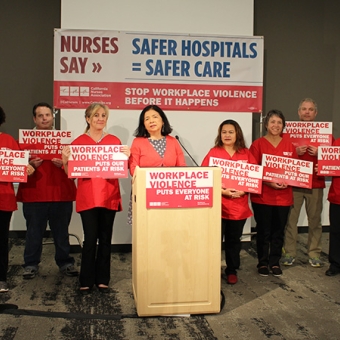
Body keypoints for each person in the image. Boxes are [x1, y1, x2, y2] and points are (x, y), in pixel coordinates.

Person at [62, 103, 130, 294]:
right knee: (90, 238)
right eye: (96, 115)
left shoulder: (115, 141)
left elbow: (121, 169)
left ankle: (102, 280)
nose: (100, 118)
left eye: (103, 115)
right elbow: (71, 174)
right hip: (88, 198)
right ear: (88, 118)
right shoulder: (78, 142)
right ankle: (86, 280)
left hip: (109, 196)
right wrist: (66, 161)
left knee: (106, 238)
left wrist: (128, 157)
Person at [17, 102, 78, 279]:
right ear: (34, 119)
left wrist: (64, 163)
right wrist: (28, 165)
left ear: (53, 117)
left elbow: (78, 166)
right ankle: (30, 264)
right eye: (40, 115)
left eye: (47, 115)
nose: (45, 118)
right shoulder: (23, 141)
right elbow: (13, 167)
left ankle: (65, 262)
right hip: (34, 193)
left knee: (61, 232)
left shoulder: (65, 140)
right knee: (34, 232)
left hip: (61, 192)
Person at [201, 119, 256, 285]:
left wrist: (244, 190)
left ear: (237, 133)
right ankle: (212, 270)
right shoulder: (213, 152)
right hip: (218, 206)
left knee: (233, 240)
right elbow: (205, 177)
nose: (227, 135)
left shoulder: (246, 153)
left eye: (230, 132)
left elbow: (254, 177)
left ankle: (232, 269)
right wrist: (222, 191)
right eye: (224, 132)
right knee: (215, 241)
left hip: (238, 207)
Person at [250, 110, 297, 277]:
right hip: (262, 197)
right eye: (272, 122)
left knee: (278, 231)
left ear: (283, 126)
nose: (276, 125)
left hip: (283, 198)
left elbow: (295, 171)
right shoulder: (258, 145)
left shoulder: (290, 146)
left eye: (279, 122)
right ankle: (262, 263)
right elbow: (253, 170)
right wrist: (268, 182)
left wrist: (289, 180)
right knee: (263, 231)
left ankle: (275, 262)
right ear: (266, 125)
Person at [282, 98, 326, 267]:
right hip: (295, 182)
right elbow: (281, 156)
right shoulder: (288, 134)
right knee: (290, 220)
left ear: (316, 113)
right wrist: (294, 151)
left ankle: (314, 253)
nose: (307, 112)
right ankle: (290, 252)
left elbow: (334, 159)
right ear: (299, 112)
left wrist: (321, 153)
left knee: (315, 220)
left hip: (316, 183)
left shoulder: (325, 133)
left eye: (311, 109)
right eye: (304, 109)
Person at [0, 107, 34, 292]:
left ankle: (1, 278)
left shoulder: (8, 140)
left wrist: (26, 169)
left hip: (3, 199)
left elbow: (18, 166)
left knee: (1, 240)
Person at [128, 105, 186, 177]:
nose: (151, 121)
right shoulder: (137, 142)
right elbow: (133, 169)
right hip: (144, 186)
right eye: (147, 119)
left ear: (163, 121)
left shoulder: (173, 141)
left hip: (170, 186)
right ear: (144, 125)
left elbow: (182, 168)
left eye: (155, 117)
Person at [325, 137, 340, 276]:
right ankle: (335, 264)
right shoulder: (337, 143)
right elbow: (330, 166)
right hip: (337, 196)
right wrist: (323, 167)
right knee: (335, 232)